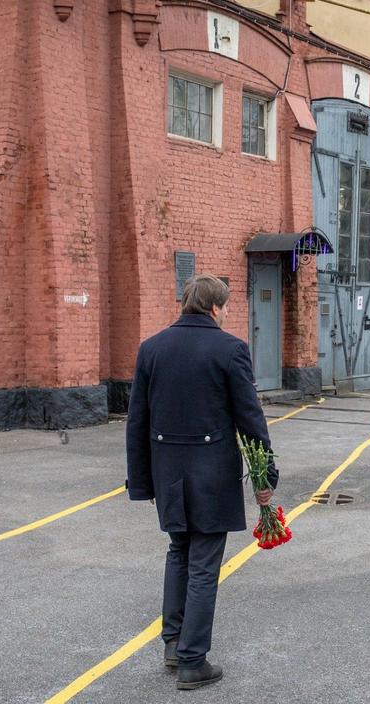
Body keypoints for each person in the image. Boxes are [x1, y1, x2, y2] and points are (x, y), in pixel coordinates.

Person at [125, 274, 279, 691]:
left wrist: (141, 481)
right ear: (214, 308)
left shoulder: (151, 348)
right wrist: (266, 474)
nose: (227, 314)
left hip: (168, 473)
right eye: (226, 306)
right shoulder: (230, 350)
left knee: (179, 551)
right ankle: (193, 661)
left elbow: (136, 420)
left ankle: (174, 644)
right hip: (211, 475)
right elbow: (250, 419)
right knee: (204, 565)